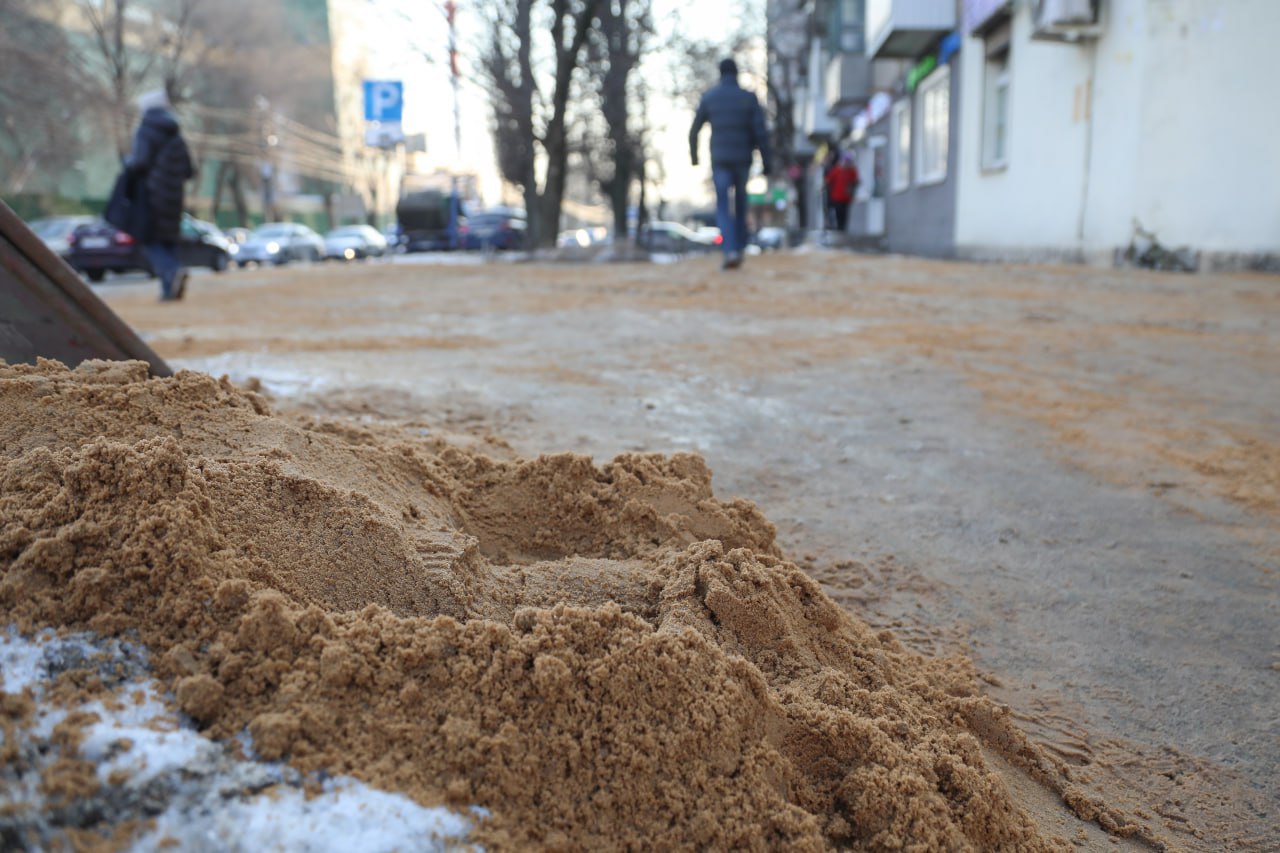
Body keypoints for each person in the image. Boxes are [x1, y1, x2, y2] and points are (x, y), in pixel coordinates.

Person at [689, 58, 771, 270]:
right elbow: (761, 132)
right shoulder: (748, 98)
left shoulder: (710, 97)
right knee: (741, 204)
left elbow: (694, 130)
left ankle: (730, 249)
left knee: (724, 206)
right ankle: (740, 247)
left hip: (721, 160)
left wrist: (695, 158)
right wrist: (766, 160)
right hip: (743, 159)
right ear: (736, 73)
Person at [125, 89, 195, 300]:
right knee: (169, 240)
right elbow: (190, 171)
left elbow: (140, 161)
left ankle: (172, 271)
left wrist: (126, 163)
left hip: (151, 195)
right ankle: (168, 291)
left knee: (149, 240)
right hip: (175, 198)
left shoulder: (145, 130)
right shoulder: (177, 135)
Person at [824, 153, 860, 235]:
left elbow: (855, 181)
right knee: (838, 213)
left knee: (845, 214)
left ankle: (843, 229)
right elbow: (828, 180)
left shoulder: (852, 171)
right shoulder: (837, 170)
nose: (847, 163)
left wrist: (853, 188)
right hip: (836, 197)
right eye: (846, 162)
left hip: (846, 198)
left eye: (849, 162)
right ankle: (839, 229)